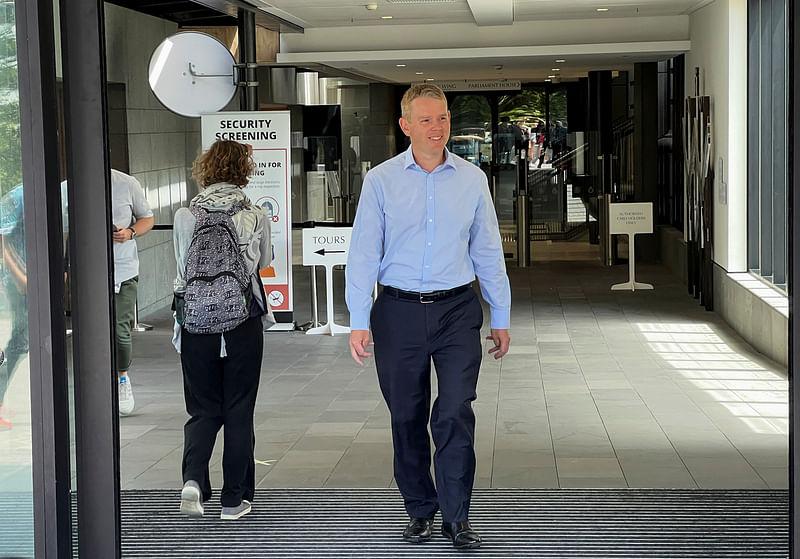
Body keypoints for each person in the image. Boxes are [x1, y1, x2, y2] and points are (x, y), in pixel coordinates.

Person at [346, 84, 511, 549]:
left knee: (456, 409)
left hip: (458, 309)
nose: (436, 128)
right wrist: (359, 318)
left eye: (442, 118)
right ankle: (420, 509)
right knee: (407, 414)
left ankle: (457, 516)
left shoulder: (472, 179)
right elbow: (362, 254)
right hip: (396, 312)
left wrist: (500, 312)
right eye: (426, 120)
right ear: (405, 126)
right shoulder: (380, 181)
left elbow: (487, 250)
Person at [173, 140, 273, 521]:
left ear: (205, 169)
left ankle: (194, 479)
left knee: (201, 407)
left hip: (196, 322)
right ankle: (234, 499)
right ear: (243, 171)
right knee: (239, 407)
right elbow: (264, 262)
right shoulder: (255, 214)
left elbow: (181, 272)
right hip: (242, 321)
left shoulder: (185, 215)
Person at [111, 169, 154, 416]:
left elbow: (147, 218)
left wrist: (129, 232)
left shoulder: (126, 183)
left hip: (123, 269)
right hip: (85, 270)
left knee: (119, 329)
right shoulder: (67, 187)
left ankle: (122, 379)